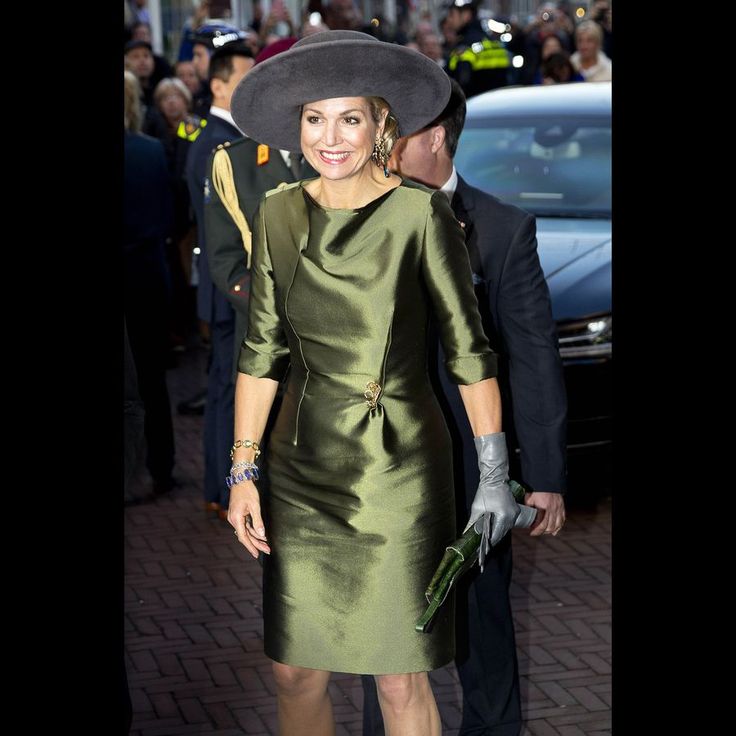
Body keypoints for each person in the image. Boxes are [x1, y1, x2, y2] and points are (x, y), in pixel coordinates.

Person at [226, 30, 541, 735]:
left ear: (380, 126)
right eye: (314, 119)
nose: (329, 138)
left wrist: (493, 474)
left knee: (399, 677)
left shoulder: (420, 215)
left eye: (349, 118)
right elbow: (261, 350)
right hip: (300, 470)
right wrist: (242, 472)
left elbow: (470, 352)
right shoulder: (278, 213)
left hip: (398, 472)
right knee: (294, 668)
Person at [360, 79, 568, 736]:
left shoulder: (503, 231)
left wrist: (545, 477)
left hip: (473, 484)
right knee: (389, 662)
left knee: (483, 649)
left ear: (434, 139)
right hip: (384, 483)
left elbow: (533, 359)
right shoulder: (354, 224)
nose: (383, 147)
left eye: (397, 134)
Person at [185, 42, 255, 520]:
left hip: (222, 292)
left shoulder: (219, 136)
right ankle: (222, 483)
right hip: (228, 293)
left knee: (224, 388)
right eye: (244, 79)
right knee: (229, 390)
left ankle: (217, 482)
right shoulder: (215, 142)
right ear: (218, 85)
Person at [445, 0, 511, 98]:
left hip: (473, 107)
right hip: (499, 105)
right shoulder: (494, 43)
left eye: (452, 14)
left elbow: (460, 86)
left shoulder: (464, 46)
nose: (449, 20)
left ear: (466, 15)